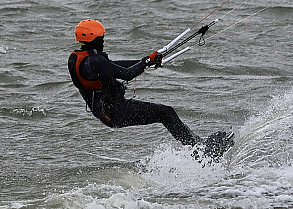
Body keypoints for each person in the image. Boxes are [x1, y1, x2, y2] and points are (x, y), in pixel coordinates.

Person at [68, 19, 234, 158]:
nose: (103, 40)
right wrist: (146, 62)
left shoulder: (78, 58)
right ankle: (200, 151)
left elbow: (114, 67)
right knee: (166, 113)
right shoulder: (96, 61)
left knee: (165, 113)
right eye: (101, 37)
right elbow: (127, 74)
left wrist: (146, 61)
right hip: (116, 112)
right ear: (93, 39)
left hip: (107, 112)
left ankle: (198, 146)